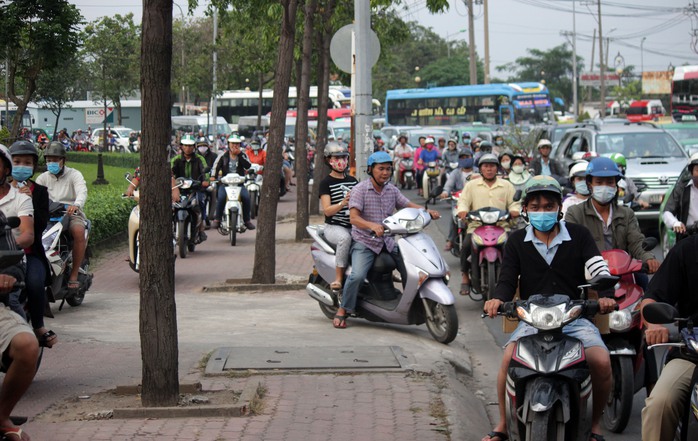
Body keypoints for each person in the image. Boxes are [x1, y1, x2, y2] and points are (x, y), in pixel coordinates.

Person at [482, 175, 616, 441]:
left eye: (548, 206)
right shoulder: (517, 240)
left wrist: (606, 295)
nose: (542, 212)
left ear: (559, 208)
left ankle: (595, 425)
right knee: (508, 359)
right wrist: (497, 299)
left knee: (601, 362)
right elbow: (507, 278)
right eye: (535, 206)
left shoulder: (579, 235)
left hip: (574, 318)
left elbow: (598, 267)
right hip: (532, 319)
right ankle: (503, 425)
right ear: (525, 210)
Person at [333, 151, 440, 328]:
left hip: (388, 241)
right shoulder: (360, 190)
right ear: (370, 170)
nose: (385, 173)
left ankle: (412, 305)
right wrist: (372, 226)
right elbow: (354, 218)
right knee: (357, 276)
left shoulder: (392, 190)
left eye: (388, 169)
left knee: (411, 269)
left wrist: (426, 211)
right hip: (365, 242)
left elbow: (407, 204)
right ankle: (343, 309)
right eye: (381, 169)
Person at [565, 157, 660, 286]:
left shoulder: (627, 213)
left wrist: (648, 258)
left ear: (616, 185)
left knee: (647, 290)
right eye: (599, 182)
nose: (604, 187)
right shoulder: (574, 213)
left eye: (610, 182)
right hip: (589, 277)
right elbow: (571, 248)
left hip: (623, 273)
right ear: (590, 184)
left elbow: (636, 242)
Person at [640, 234, 698, 441]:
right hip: (692, 352)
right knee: (659, 404)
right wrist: (654, 325)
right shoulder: (687, 249)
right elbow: (651, 298)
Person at [9, 141, 56, 349]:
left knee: (35, 283)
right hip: (4, 252)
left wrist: (30, 205)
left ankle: (38, 326)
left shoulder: (39, 192)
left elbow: (39, 226)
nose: (21, 166)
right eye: (16, 162)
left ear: (33, 166)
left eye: (26, 163)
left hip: (29, 253)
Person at [457, 153, 520, 297]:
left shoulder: (507, 185)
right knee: (466, 246)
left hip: (502, 226)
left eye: (492, 166)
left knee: (515, 247)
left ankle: (517, 277)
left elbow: (514, 203)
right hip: (476, 227)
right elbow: (463, 201)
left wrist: (515, 210)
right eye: (486, 166)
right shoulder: (471, 185)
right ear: (480, 169)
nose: (489, 169)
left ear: (497, 168)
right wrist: (462, 210)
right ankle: (465, 276)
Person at [36, 141, 88, 294]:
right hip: (48, 215)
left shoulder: (74, 175)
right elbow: (36, 196)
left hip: (70, 214)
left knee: (78, 231)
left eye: (55, 159)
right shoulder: (42, 178)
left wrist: (76, 205)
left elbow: (82, 191)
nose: (51, 163)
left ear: (63, 160)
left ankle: (73, 274)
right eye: (49, 160)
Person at [318, 143, 358, 307]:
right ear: (328, 160)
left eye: (343, 157)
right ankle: (339, 278)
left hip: (353, 224)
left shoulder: (353, 181)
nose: (341, 161)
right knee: (345, 239)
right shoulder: (325, 183)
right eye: (337, 158)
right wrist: (343, 202)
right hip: (334, 226)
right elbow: (327, 211)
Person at [171, 134, 211, 241]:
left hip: (195, 189)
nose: (188, 148)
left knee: (201, 203)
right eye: (185, 145)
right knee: (170, 206)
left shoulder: (199, 159)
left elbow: (205, 171)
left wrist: (205, 180)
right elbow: (169, 172)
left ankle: (201, 228)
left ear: (194, 147)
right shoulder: (176, 159)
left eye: (190, 146)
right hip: (178, 190)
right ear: (181, 146)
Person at [210, 135, 255, 230]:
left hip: (239, 184)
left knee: (246, 198)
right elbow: (216, 167)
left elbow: (248, 166)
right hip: (225, 184)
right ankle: (217, 219)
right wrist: (213, 176)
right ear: (228, 144)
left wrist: (240, 155)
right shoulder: (222, 155)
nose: (235, 145)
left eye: (237, 143)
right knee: (221, 197)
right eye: (232, 143)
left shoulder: (243, 155)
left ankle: (247, 220)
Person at [661, 152, 698, 241]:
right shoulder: (681, 189)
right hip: (688, 238)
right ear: (691, 171)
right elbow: (667, 212)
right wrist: (675, 223)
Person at [440, 157, 474, 252]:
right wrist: (445, 192)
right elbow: (448, 185)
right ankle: (450, 240)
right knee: (454, 215)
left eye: (467, 157)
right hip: (458, 201)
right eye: (463, 157)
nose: (465, 159)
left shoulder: (477, 172)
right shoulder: (455, 172)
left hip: (474, 202)